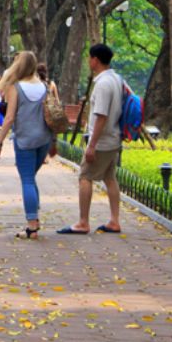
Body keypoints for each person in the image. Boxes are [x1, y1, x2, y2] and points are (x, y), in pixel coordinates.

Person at [58, 44, 123, 235]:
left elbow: (101, 115)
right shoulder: (116, 79)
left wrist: (92, 145)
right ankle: (114, 220)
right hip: (114, 138)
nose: (88, 61)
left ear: (95, 59)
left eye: (89, 58)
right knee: (110, 178)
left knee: (85, 176)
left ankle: (83, 222)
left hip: (102, 141)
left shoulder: (103, 84)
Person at [0, 51, 54, 240]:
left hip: (25, 140)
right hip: (44, 139)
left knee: (27, 180)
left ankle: (31, 225)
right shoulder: (45, 86)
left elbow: (10, 117)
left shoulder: (16, 88)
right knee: (32, 178)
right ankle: (35, 218)